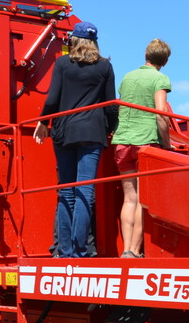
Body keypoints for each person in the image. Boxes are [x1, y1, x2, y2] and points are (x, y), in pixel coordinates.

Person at [34, 21, 117, 258]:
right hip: (92, 133)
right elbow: (110, 104)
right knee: (85, 191)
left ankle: (65, 250)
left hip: (64, 132)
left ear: (73, 40)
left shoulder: (62, 63)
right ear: (95, 42)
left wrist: (43, 121)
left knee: (66, 192)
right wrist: (110, 129)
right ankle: (80, 250)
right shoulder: (105, 67)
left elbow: (52, 99)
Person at [111, 39, 172, 258]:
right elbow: (161, 113)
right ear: (164, 60)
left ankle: (126, 248)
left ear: (146, 56)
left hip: (122, 141)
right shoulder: (159, 78)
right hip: (145, 142)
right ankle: (135, 250)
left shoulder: (127, 77)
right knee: (143, 201)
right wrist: (167, 144)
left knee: (129, 199)